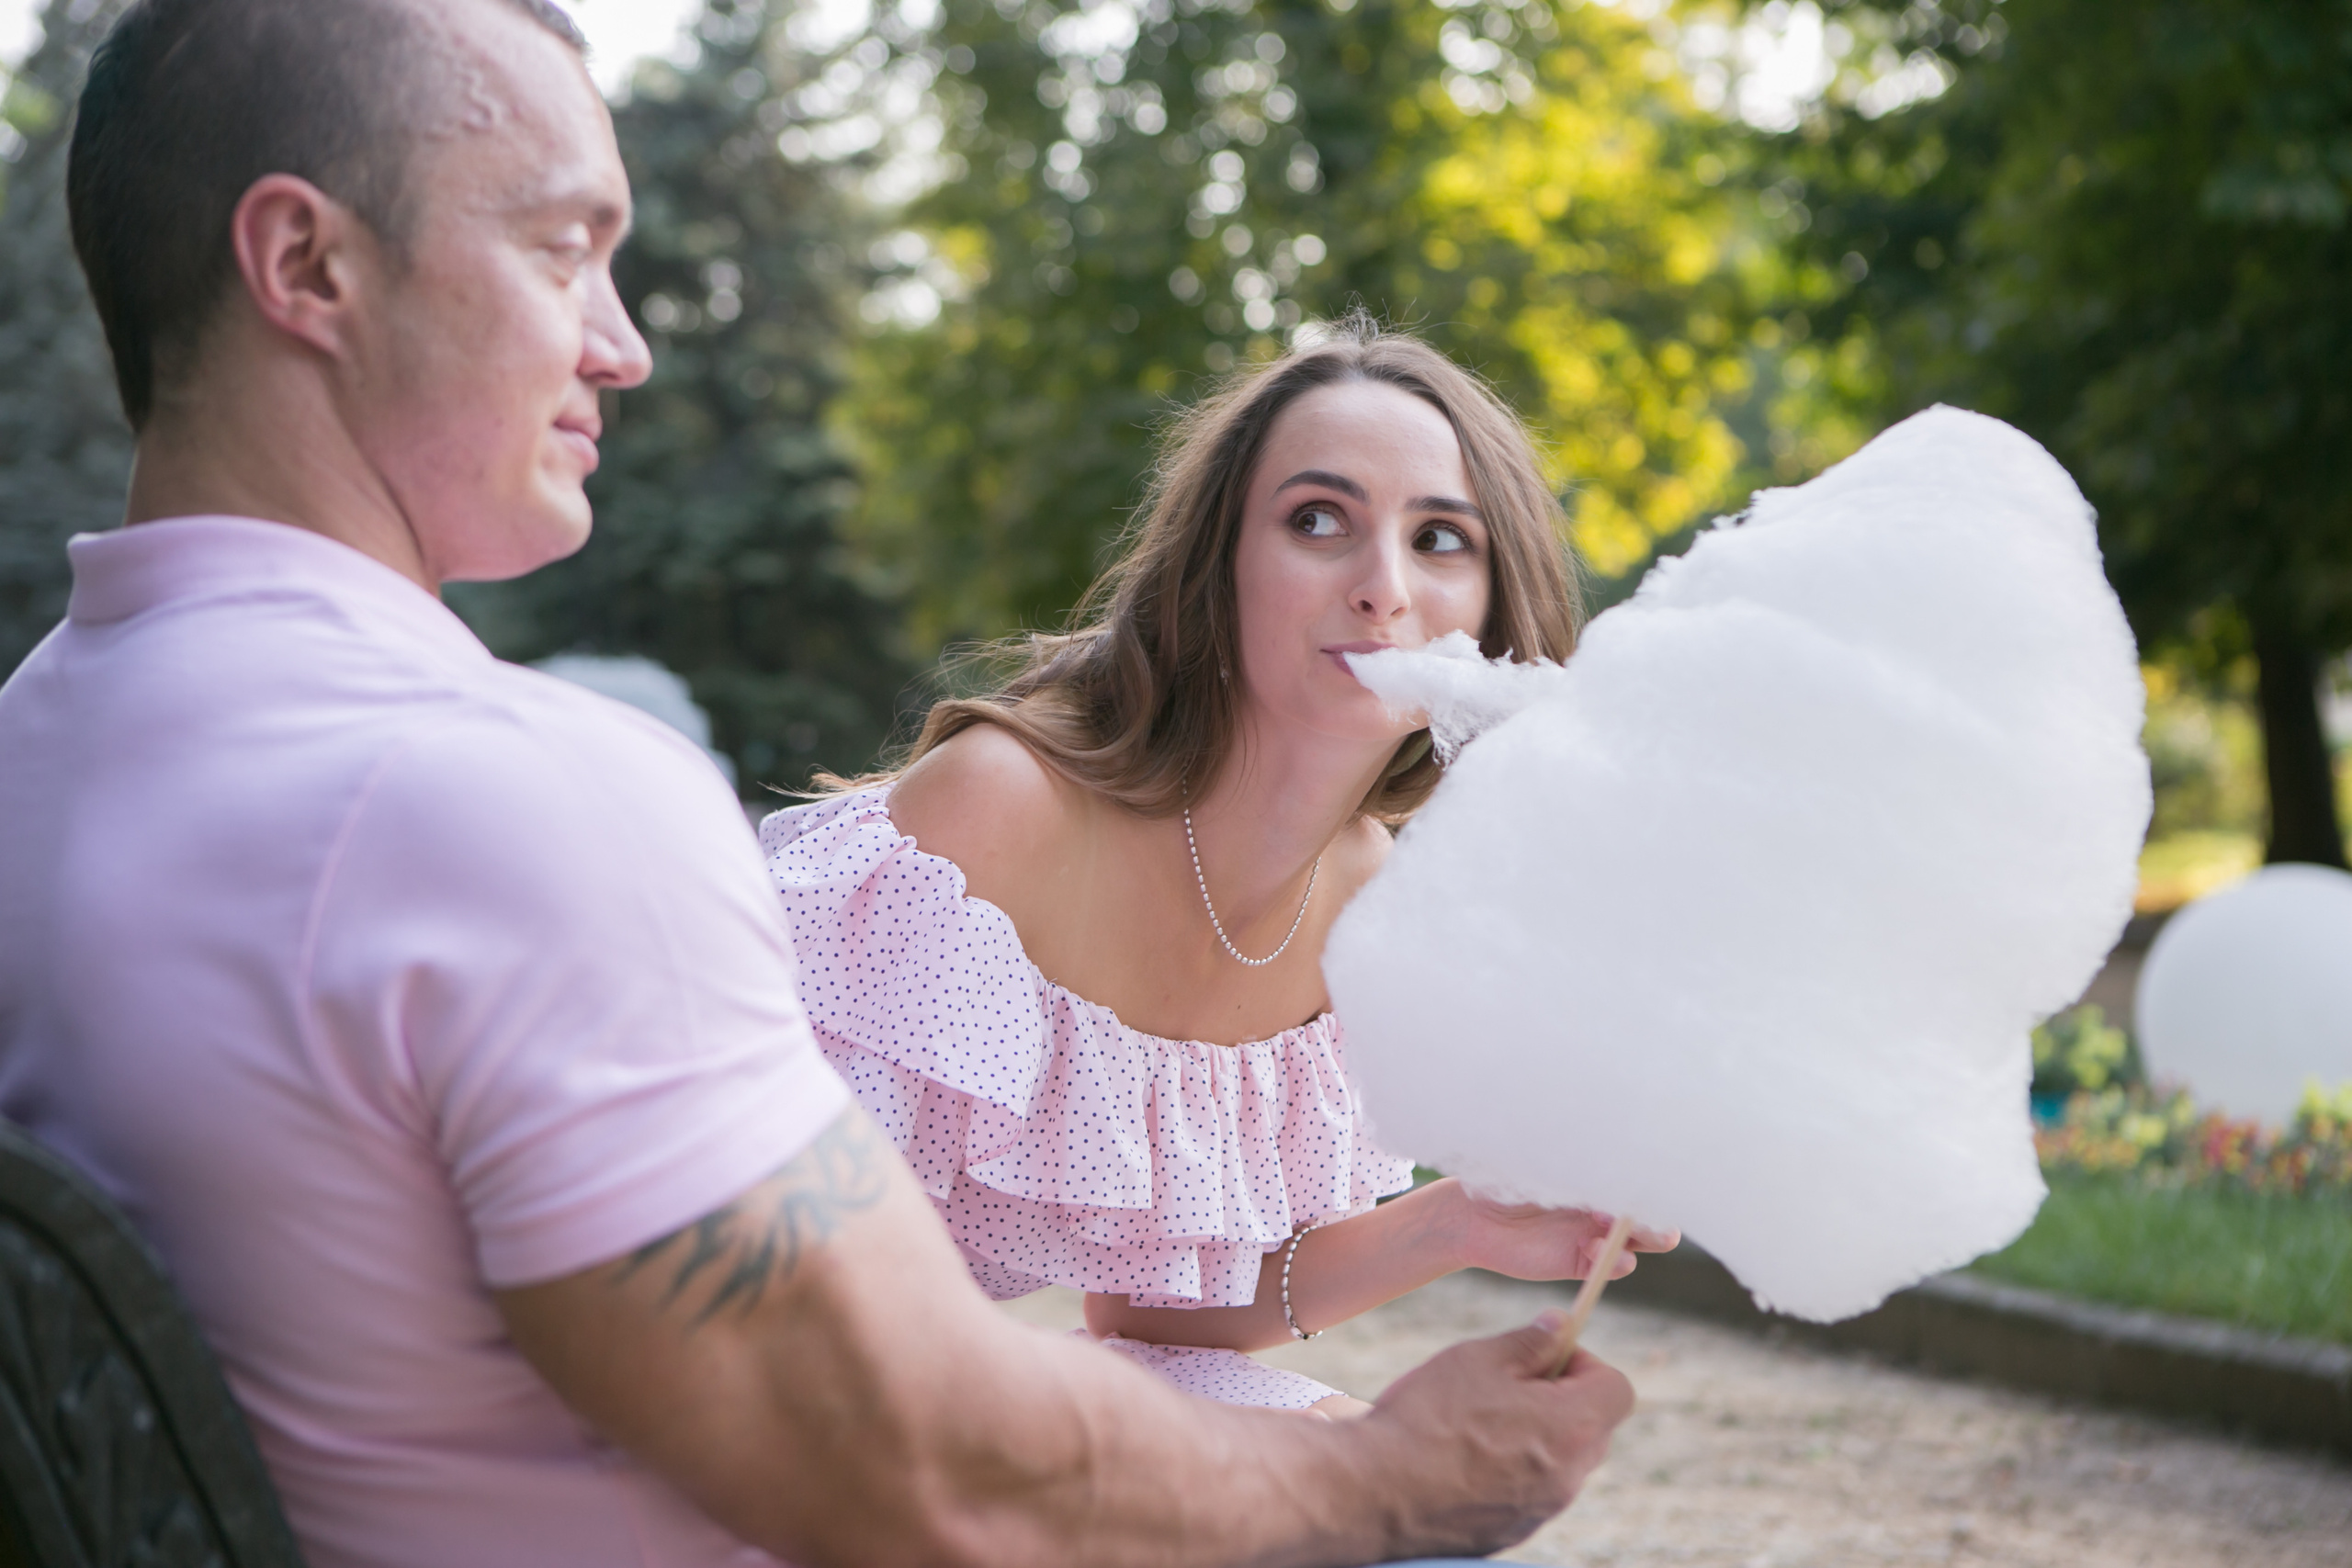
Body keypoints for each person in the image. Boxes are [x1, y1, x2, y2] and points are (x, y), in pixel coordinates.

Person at [0, 2, 1635, 1564]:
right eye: (564, 246)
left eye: (1443, 539)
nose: (623, 344)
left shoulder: (44, 748)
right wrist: (1391, 1471)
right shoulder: (515, 801)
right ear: (306, 264)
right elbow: (923, 1458)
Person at [762, 320, 1676, 1417]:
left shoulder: (1366, 908)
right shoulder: (996, 812)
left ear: (1490, 608)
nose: (1383, 587)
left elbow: (1155, 1322)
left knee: (1366, 1476)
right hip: (766, 1376)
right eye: (1318, 521)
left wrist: (1460, 1222)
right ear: (1221, 565)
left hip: (944, 1400)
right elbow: (761, 1261)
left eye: (1440, 540)